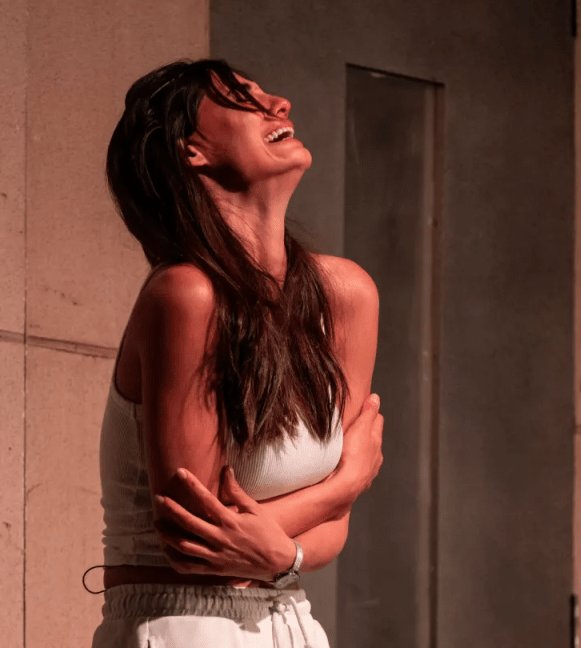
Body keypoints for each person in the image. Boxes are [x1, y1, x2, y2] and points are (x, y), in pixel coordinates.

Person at [90, 58, 383, 648]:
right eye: (242, 98)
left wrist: (282, 552)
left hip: (294, 619)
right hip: (181, 622)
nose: (279, 104)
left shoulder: (347, 294)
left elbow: (335, 534)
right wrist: (346, 482)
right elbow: (195, 541)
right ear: (192, 149)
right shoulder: (186, 295)